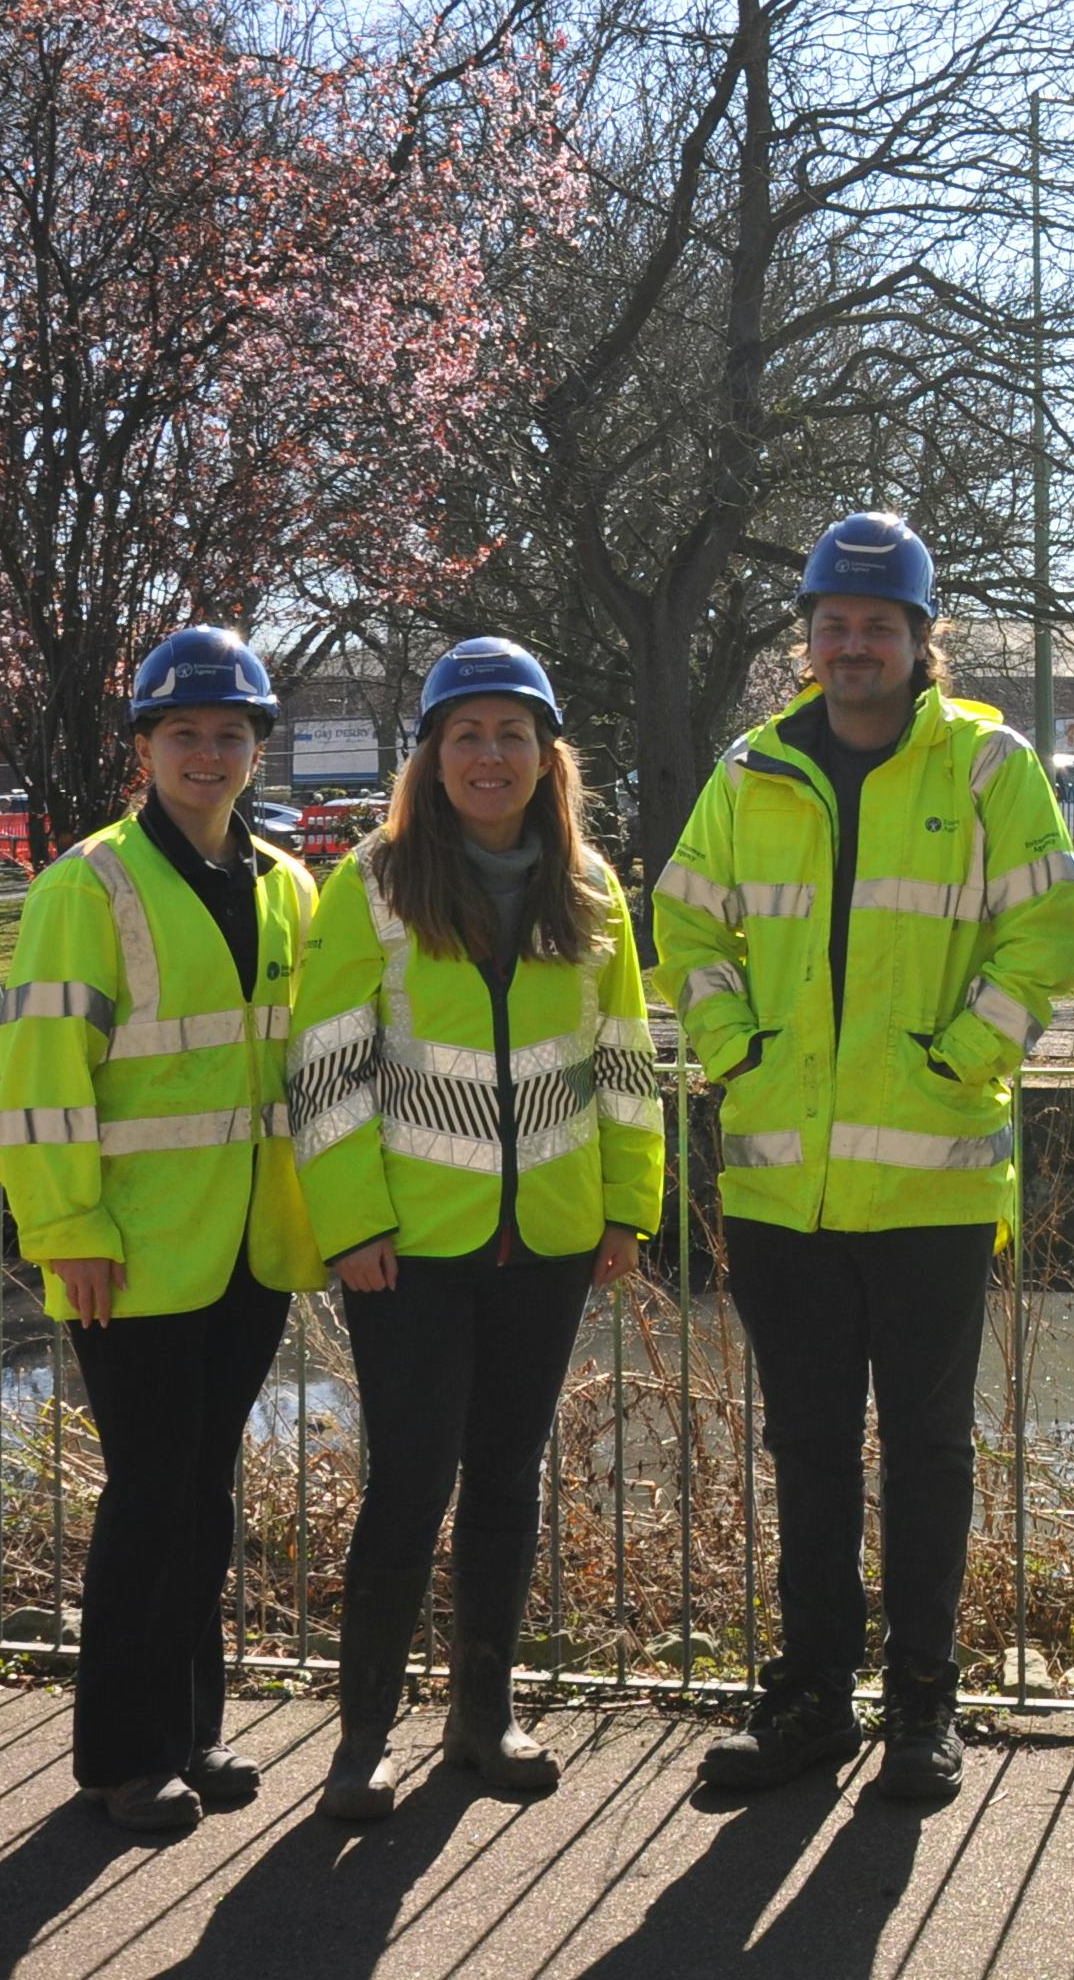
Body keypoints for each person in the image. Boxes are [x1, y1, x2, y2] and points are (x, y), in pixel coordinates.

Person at [658, 513, 1074, 1809]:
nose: (856, 647)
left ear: (922, 640)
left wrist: (959, 1058)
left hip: (935, 1182)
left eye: (880, 627)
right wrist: (737, 1049)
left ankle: (921, 1708)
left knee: (927, 1452)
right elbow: (684, 919)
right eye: (836, 625)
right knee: (809, 1449)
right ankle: (812, 1701)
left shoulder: (987, 768)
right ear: (812, 639)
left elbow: (1049, 933)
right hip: (786, 1183)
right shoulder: (752, 771)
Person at [286, 638, 670, 1821]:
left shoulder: (591, 888)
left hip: (546, 1241)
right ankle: (362, 1739)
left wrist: (626, 1208)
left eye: (511, 734)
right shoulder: (376, 884)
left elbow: (624, 1060)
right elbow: (324, 1068)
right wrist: (350, 1223)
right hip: (409, 1247)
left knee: (506, 1478)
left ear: (545, 755)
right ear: (432, 757)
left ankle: (483, 1715)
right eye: (467, 735)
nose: (489, 755)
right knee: (408, 1482)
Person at [0, 627, 323, 1836]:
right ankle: (122, 1758)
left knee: (206, 1494)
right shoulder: (89, 883)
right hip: (126, 1248)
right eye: (184, 731)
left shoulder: (288, 884)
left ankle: (193, 1728)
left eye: (231, 733)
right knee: (148, 1500)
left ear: (254, 748)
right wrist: (68, 1224)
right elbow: (39, 1072)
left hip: (247, 1246)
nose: (209, 751)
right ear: (144, 747)